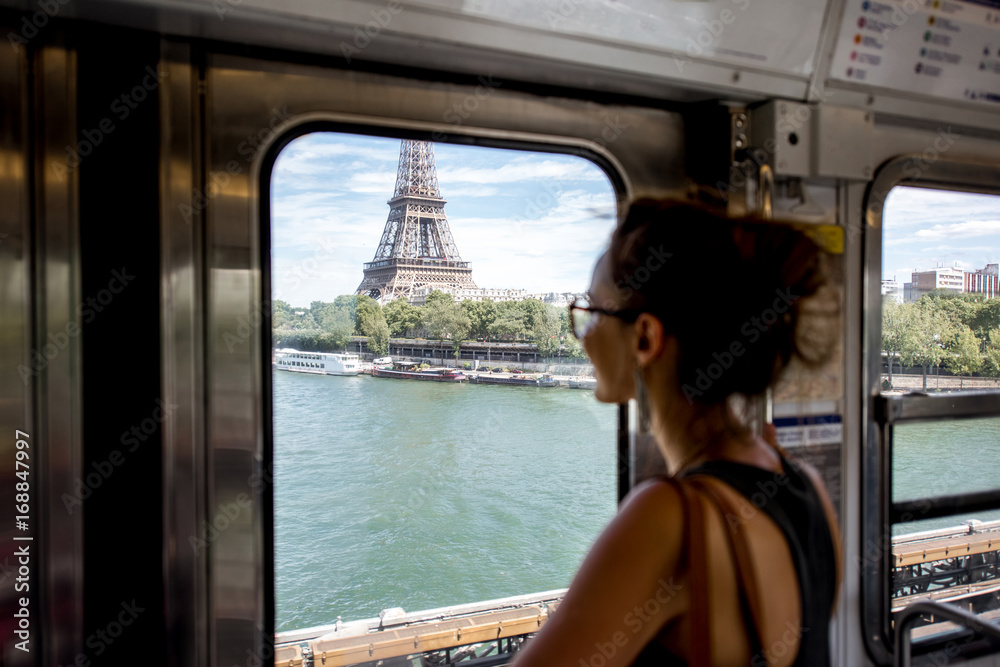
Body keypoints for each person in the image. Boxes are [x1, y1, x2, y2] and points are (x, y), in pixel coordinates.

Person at [511, 200, 841, 666]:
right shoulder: (809, 488)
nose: (581, 334)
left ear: (645, 337)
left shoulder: (667, 517)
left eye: (591, 312)